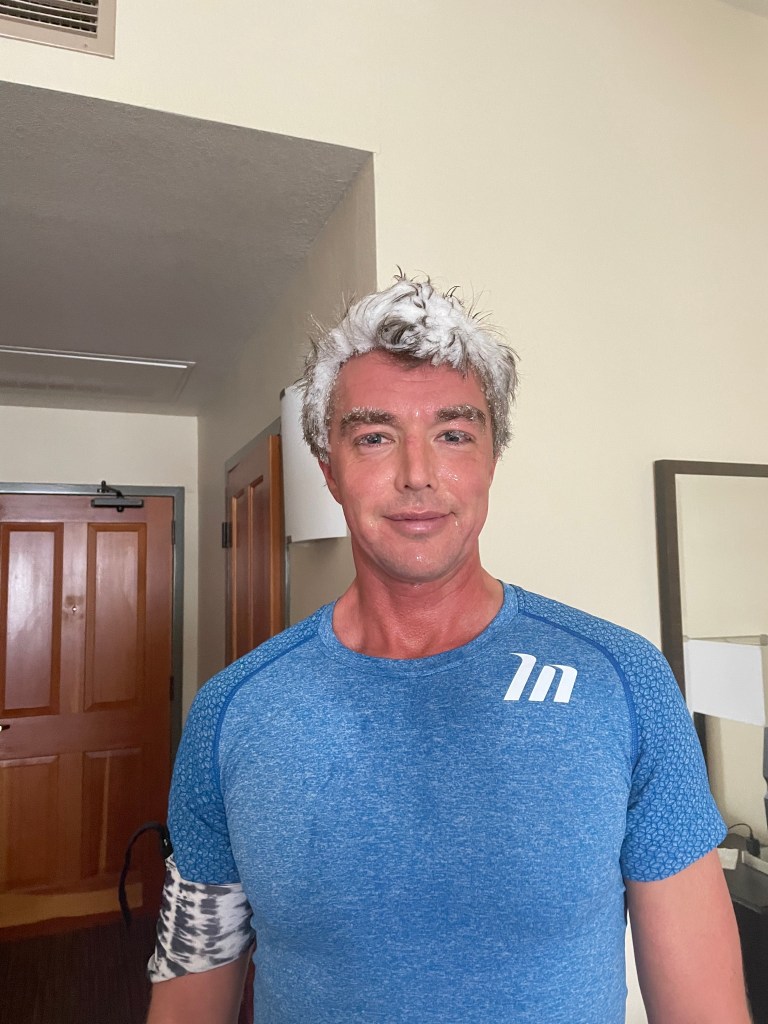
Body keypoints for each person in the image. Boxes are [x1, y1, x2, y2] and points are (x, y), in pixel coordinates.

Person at [146, 274, 750, 1024]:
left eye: (454, 434)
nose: (418, 475)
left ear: (492, 459)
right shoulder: (232, 712)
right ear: (329, 470)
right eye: (374, 437)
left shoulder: (623, 682)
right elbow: (190, 992)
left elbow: (705, 1010)